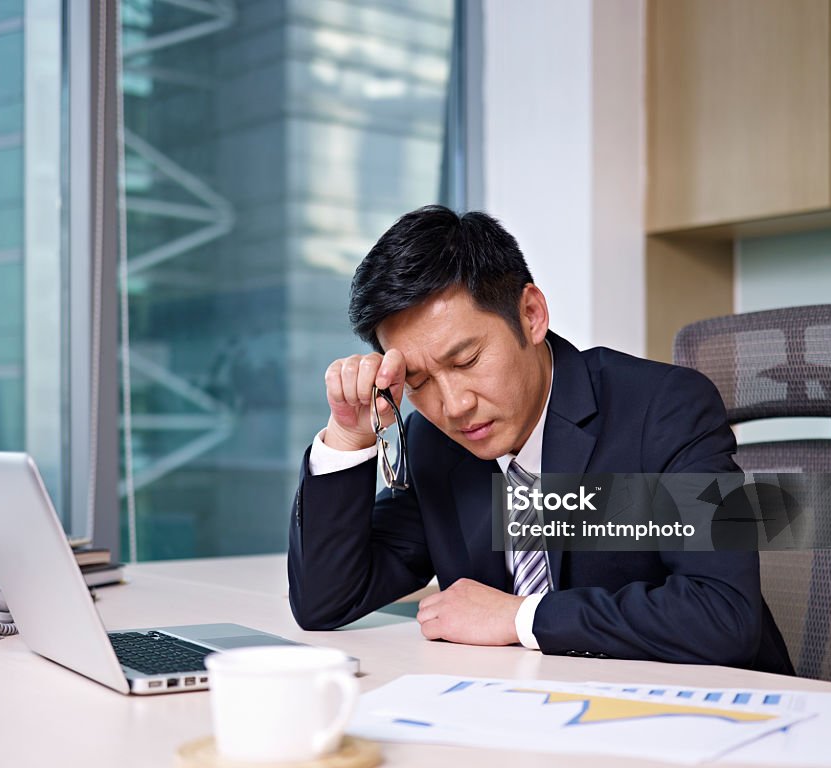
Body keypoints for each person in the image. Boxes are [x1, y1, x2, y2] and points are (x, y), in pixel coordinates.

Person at [287, 205, 793, 673]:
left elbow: (722, 615)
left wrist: (521, 617)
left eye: (466, 361)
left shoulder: (664, 409)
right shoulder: (435, 443)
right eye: (418, 382)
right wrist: (349, 435)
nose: (455, 404)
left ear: (531, 315)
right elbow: (327, 600)